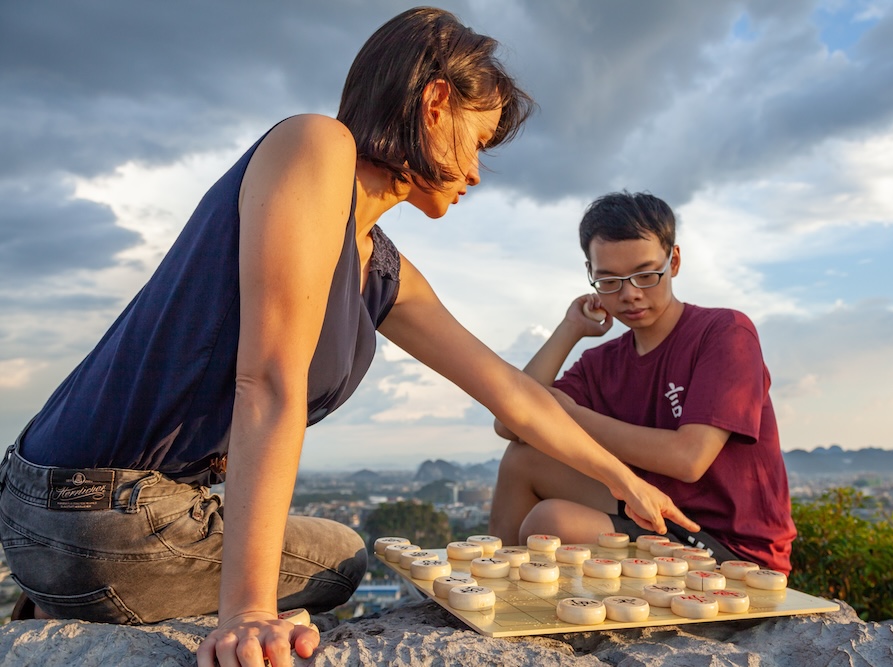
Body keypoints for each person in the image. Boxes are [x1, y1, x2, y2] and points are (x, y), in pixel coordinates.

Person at [0, 10, 698, 667]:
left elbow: (512, 394)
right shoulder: (315, 146)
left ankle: (63, 594)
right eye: (478, 141)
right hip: (101, 515)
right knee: (341, 557)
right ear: (433, 104)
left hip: (61, 506)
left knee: (323, 550)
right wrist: (246, 610)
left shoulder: (378, 262)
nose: (478, 173)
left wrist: (624, 480)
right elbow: (268, 380)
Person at [489, 191, 796, 574]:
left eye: (646, 275)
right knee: (523, 460)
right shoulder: (602, 363)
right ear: (591, 275)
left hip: (729, 549)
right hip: (651, 516)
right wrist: (570, 329)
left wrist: (572, 415)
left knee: (551, 523)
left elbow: (689, 460)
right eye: (610, 281)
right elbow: (510, 422)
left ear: (675, 261)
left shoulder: (724, 332)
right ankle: (493, 587)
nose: (630, 294)